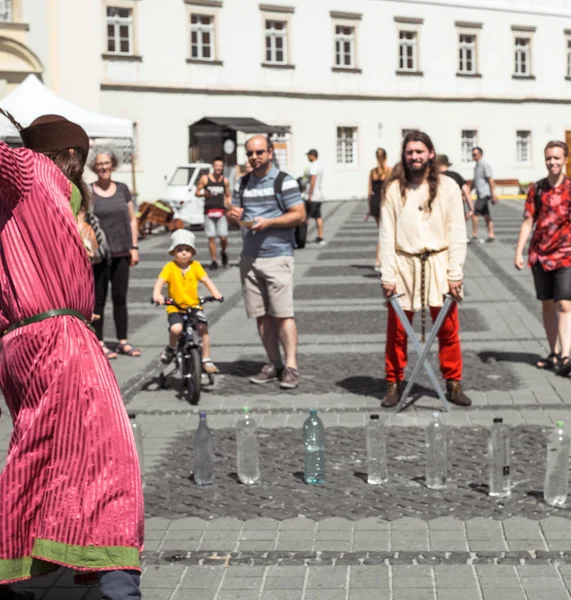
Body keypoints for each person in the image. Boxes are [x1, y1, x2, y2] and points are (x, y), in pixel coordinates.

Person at [0, 112, 143, 599]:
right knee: (110, 452)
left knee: (38, 457)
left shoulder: (20, 201)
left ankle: (12, 567)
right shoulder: (30, 169)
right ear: (69, 156)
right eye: (77, 162)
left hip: (20, 342)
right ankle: (119, 585)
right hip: (56, 336)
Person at [380, 131, 471, 408]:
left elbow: (457, 231)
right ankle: (393, 382)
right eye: (410, 152)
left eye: (419, 151)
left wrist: (455, 272)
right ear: (404, 155)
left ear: (430, 153)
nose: (415, 157)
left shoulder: (448, 187)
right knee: (396, 330)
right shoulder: (394, 188)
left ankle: (453, 382)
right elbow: (386, 234)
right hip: (403, 264)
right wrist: (387, 274)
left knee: (448, 328)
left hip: (439, 265)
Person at [227, 135, 306, 390]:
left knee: (283, 314)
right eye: (250, 153)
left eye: (259, 152)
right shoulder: (243, 183)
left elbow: (299, 215)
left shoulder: (285, 181)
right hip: (249, 256)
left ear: (270, 153)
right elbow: (236, 218)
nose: (254, 157)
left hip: (277, 255)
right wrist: (233, 215)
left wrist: (269, 222)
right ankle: (273, 362)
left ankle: (291, 366)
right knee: (261, 316)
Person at [514, 140, 571, 376]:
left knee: (565, 303)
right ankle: (554, 352)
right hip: (540, 256)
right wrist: (519, 251)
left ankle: (566, 355)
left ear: (565, 159)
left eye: (557, 157)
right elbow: (528, 220)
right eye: (549, 158)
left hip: (567, 255)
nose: (553, 162)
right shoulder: (536, 188)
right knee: (547, 303)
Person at [90, 150, 140, 359]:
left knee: (120, 297)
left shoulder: (122, 189)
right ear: (95, 167)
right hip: (100, 254)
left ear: (113, 165)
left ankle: (122, 341)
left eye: (107, 163)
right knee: (98, 300)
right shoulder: (89, 191)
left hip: (122, 251)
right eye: (100, 163)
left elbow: (132, 219)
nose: (103, 167)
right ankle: (99, 341)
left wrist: (134, 247)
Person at [152, 229, 223, 374]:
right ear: (173, 252)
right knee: (176, 329)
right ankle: (171, 348)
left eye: (187, 249)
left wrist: (216, 293)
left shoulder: (196, 266)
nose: (184, 253)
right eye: (179, 250)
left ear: (193, 252)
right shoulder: (170, 267)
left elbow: (206, 280)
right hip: (176, 307)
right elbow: (160, 281)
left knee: (203, 329)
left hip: (194, 306)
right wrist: (157, 294)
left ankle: (206, 359)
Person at [195, 157, 232, 270]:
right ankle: (214, 260)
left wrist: (228, 203)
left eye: (220, 166)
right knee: (211, 237)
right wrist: (203, 194)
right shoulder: (205, 179)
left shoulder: (224, 180)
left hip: (221, 212)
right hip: (209, 212)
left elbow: (227, 194)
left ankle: (223, 251)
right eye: (216, 166)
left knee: (223, 237)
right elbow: (197, 192)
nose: (218, 168)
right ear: (213, 167)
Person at [368, 148, 392, 271]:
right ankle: (379, 260)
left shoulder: (373, 172)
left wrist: (369, 208)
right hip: (384, 201)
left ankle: (379, 260)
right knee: (385, 232)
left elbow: (369, 191)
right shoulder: (389, 171)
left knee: (381, 231)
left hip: (375, 201)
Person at [471, 146, 497, 243]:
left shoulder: (485, 165)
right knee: (486, 215)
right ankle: (491, 235)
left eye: (475, 154)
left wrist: (493, 195)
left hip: (484, 194)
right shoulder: (477, 166)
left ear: (480, 155)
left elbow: (490, 180)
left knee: (474, 213)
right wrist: (468, 192)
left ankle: (474, 235)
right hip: (480, 193)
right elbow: (474, 181)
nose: (473, 156)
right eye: (472, 154)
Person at [436, 154, 474, 221]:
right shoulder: (456, 175)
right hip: (457, 211)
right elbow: (466, 191)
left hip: (439, 212)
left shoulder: (434, 177)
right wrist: (471, 209)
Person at [303, 149, 325, 245]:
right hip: (319, 195)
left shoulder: (313, 166)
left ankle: (302, 237)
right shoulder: (319, 165)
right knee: (318, 217)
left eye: (308, 155)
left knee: (306, 217)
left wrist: (310, 195)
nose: (308, 157)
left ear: (312, 156)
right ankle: (320, 236)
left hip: (313, 196)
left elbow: (313, 180)